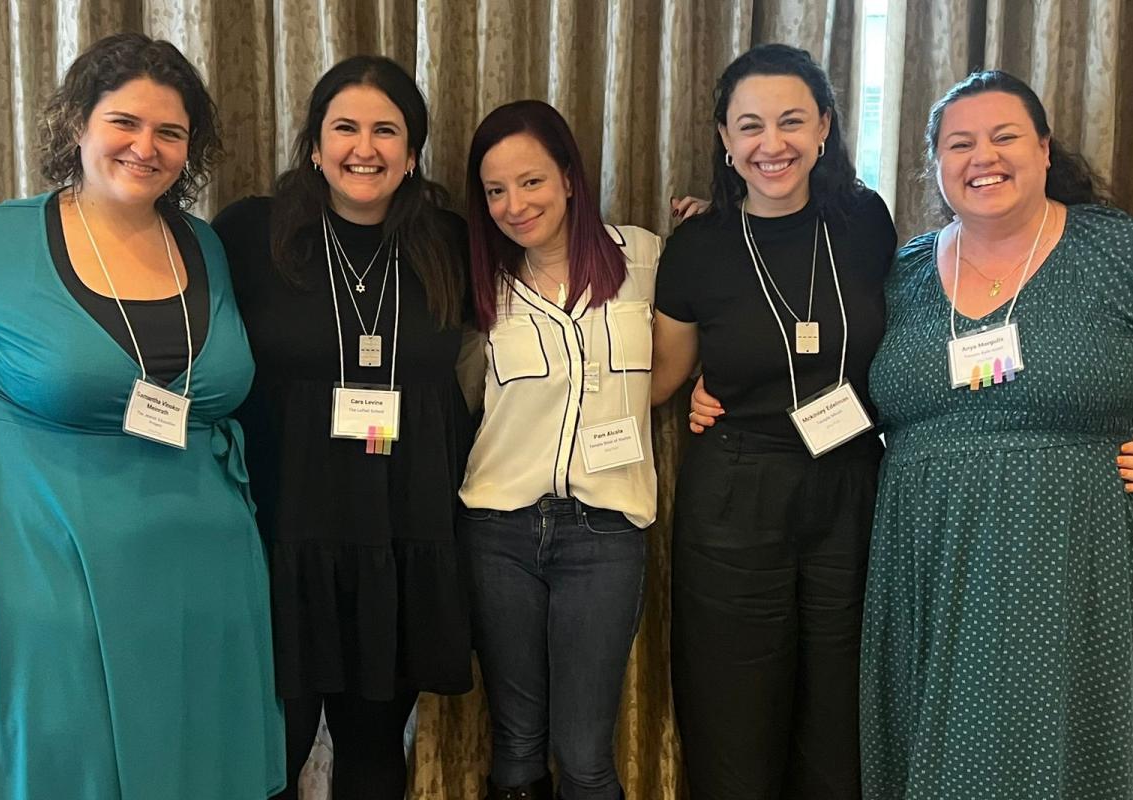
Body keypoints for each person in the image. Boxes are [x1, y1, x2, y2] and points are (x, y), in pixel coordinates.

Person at [0, 33, 285, 799]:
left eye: (170, 132)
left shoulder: (203, 247)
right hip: (45, 583)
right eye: (125, 122)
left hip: (200, 592)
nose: (146, 147)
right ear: (77, 123)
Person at [855, 70, 1133, 799]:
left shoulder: (1121, 254)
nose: (981, 156)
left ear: (1045, 149)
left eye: (1004, 136)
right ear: (935, 165)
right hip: (929, 558)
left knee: (1068, 751)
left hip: (1076, 557)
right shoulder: (902, 274)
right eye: (959, 144)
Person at [212, 56, 472, 800]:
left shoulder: (450, 243)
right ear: (316, 145)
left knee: (372, 749)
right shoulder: (251, 232)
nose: (366, 147)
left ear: (413, 152)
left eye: (386, 130)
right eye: (346, 127)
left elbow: (562, 281)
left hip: (401, 534)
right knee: (271, 752)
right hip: (278, 533)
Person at [649, 44, 896, 799]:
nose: (772, 144)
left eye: (792, 121)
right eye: (749, 125)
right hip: (735, 493)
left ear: (824, 127)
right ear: (725, 140)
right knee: (733, 713)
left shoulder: (866, 222)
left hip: (850, 484)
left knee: (840, 712)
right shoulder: (697, 246)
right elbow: (664, 376)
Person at [458, 100, 662, 800]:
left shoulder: (647, 258)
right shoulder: (481, 285)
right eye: (495, 190)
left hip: (605, 533)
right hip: (498, 532)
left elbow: (677, 360)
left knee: (583, 752)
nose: (515, 204)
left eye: (532, 181)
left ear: (570, 177)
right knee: (516, 742)